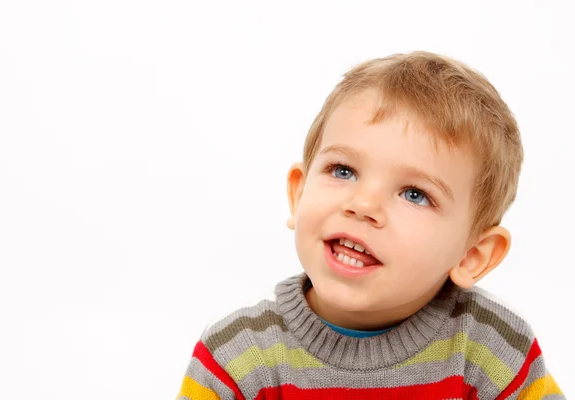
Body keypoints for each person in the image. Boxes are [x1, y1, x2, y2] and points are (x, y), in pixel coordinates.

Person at [176, 51, 565, 399]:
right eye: (343, 170)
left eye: (414, 194)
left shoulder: (492, 350)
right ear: (298, 193)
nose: (363, 205)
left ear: (472, 255)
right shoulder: (236, 358)